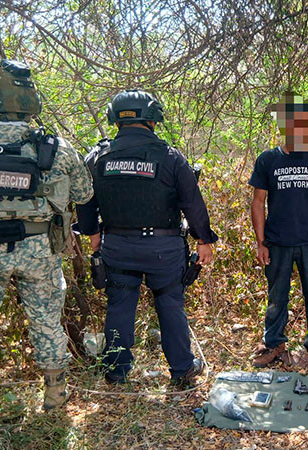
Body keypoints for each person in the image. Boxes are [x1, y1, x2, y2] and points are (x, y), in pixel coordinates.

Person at [0, 60, 94, 411]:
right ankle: (55, 396)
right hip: (39, 250)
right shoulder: (57, 146)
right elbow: (84, 194)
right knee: (46, 322)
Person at [76, 89, 217, 387]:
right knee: (169, 304)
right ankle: (182, 369)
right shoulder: (170, 157)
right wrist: (203, 240)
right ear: (152, 119)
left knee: (119, 306)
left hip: (117, 246)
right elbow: (192, 202)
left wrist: (93, 237)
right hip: (163, 250)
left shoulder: (98, 157)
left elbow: (85, 202)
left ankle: (116, 370)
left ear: (115, 119)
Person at [249, 91, 308, 369]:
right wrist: (260, 241)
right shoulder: (268, 160)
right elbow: (258, 202)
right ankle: (275, 345)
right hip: (277, 242)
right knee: (276, 298)